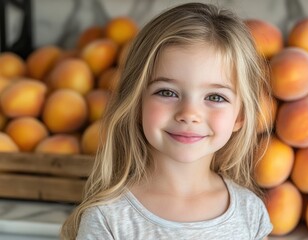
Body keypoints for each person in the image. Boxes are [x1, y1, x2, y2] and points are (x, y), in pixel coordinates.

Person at [61, 2, 274, 239]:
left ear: (241, 116)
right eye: (167, 92)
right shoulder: (108, 217)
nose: (189, 113)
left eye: (215, 97)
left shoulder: (250, 212)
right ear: (136, 101)